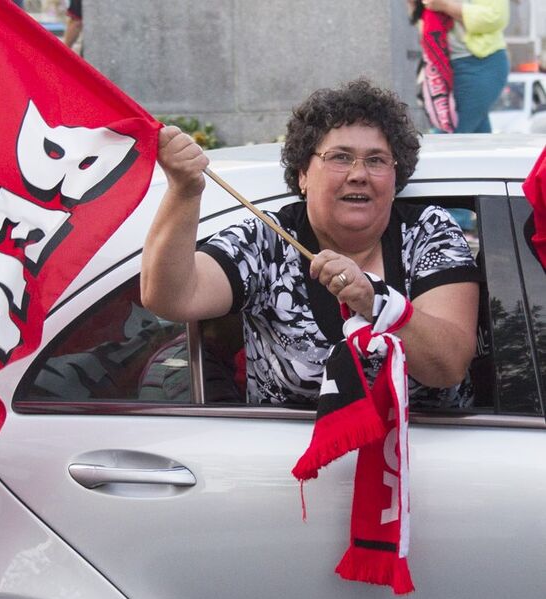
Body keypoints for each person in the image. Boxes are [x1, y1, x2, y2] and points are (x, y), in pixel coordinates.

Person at [141, 78, 482, 408]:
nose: (358, 174)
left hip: (436, 448)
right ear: (303, 173)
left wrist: (373, 300)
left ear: (396, 177)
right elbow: (172, 296)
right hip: (286, 449)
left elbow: (448, 366)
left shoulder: (428, 231)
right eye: (340, 157)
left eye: (376, 160)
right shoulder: (267, 241)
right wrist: (184, 191)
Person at [412, 0, 510, 133]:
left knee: (450, 131)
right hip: (448, 66)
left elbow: (496, 17)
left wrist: (445, 6)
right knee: (477, 137)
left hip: (481, 62)